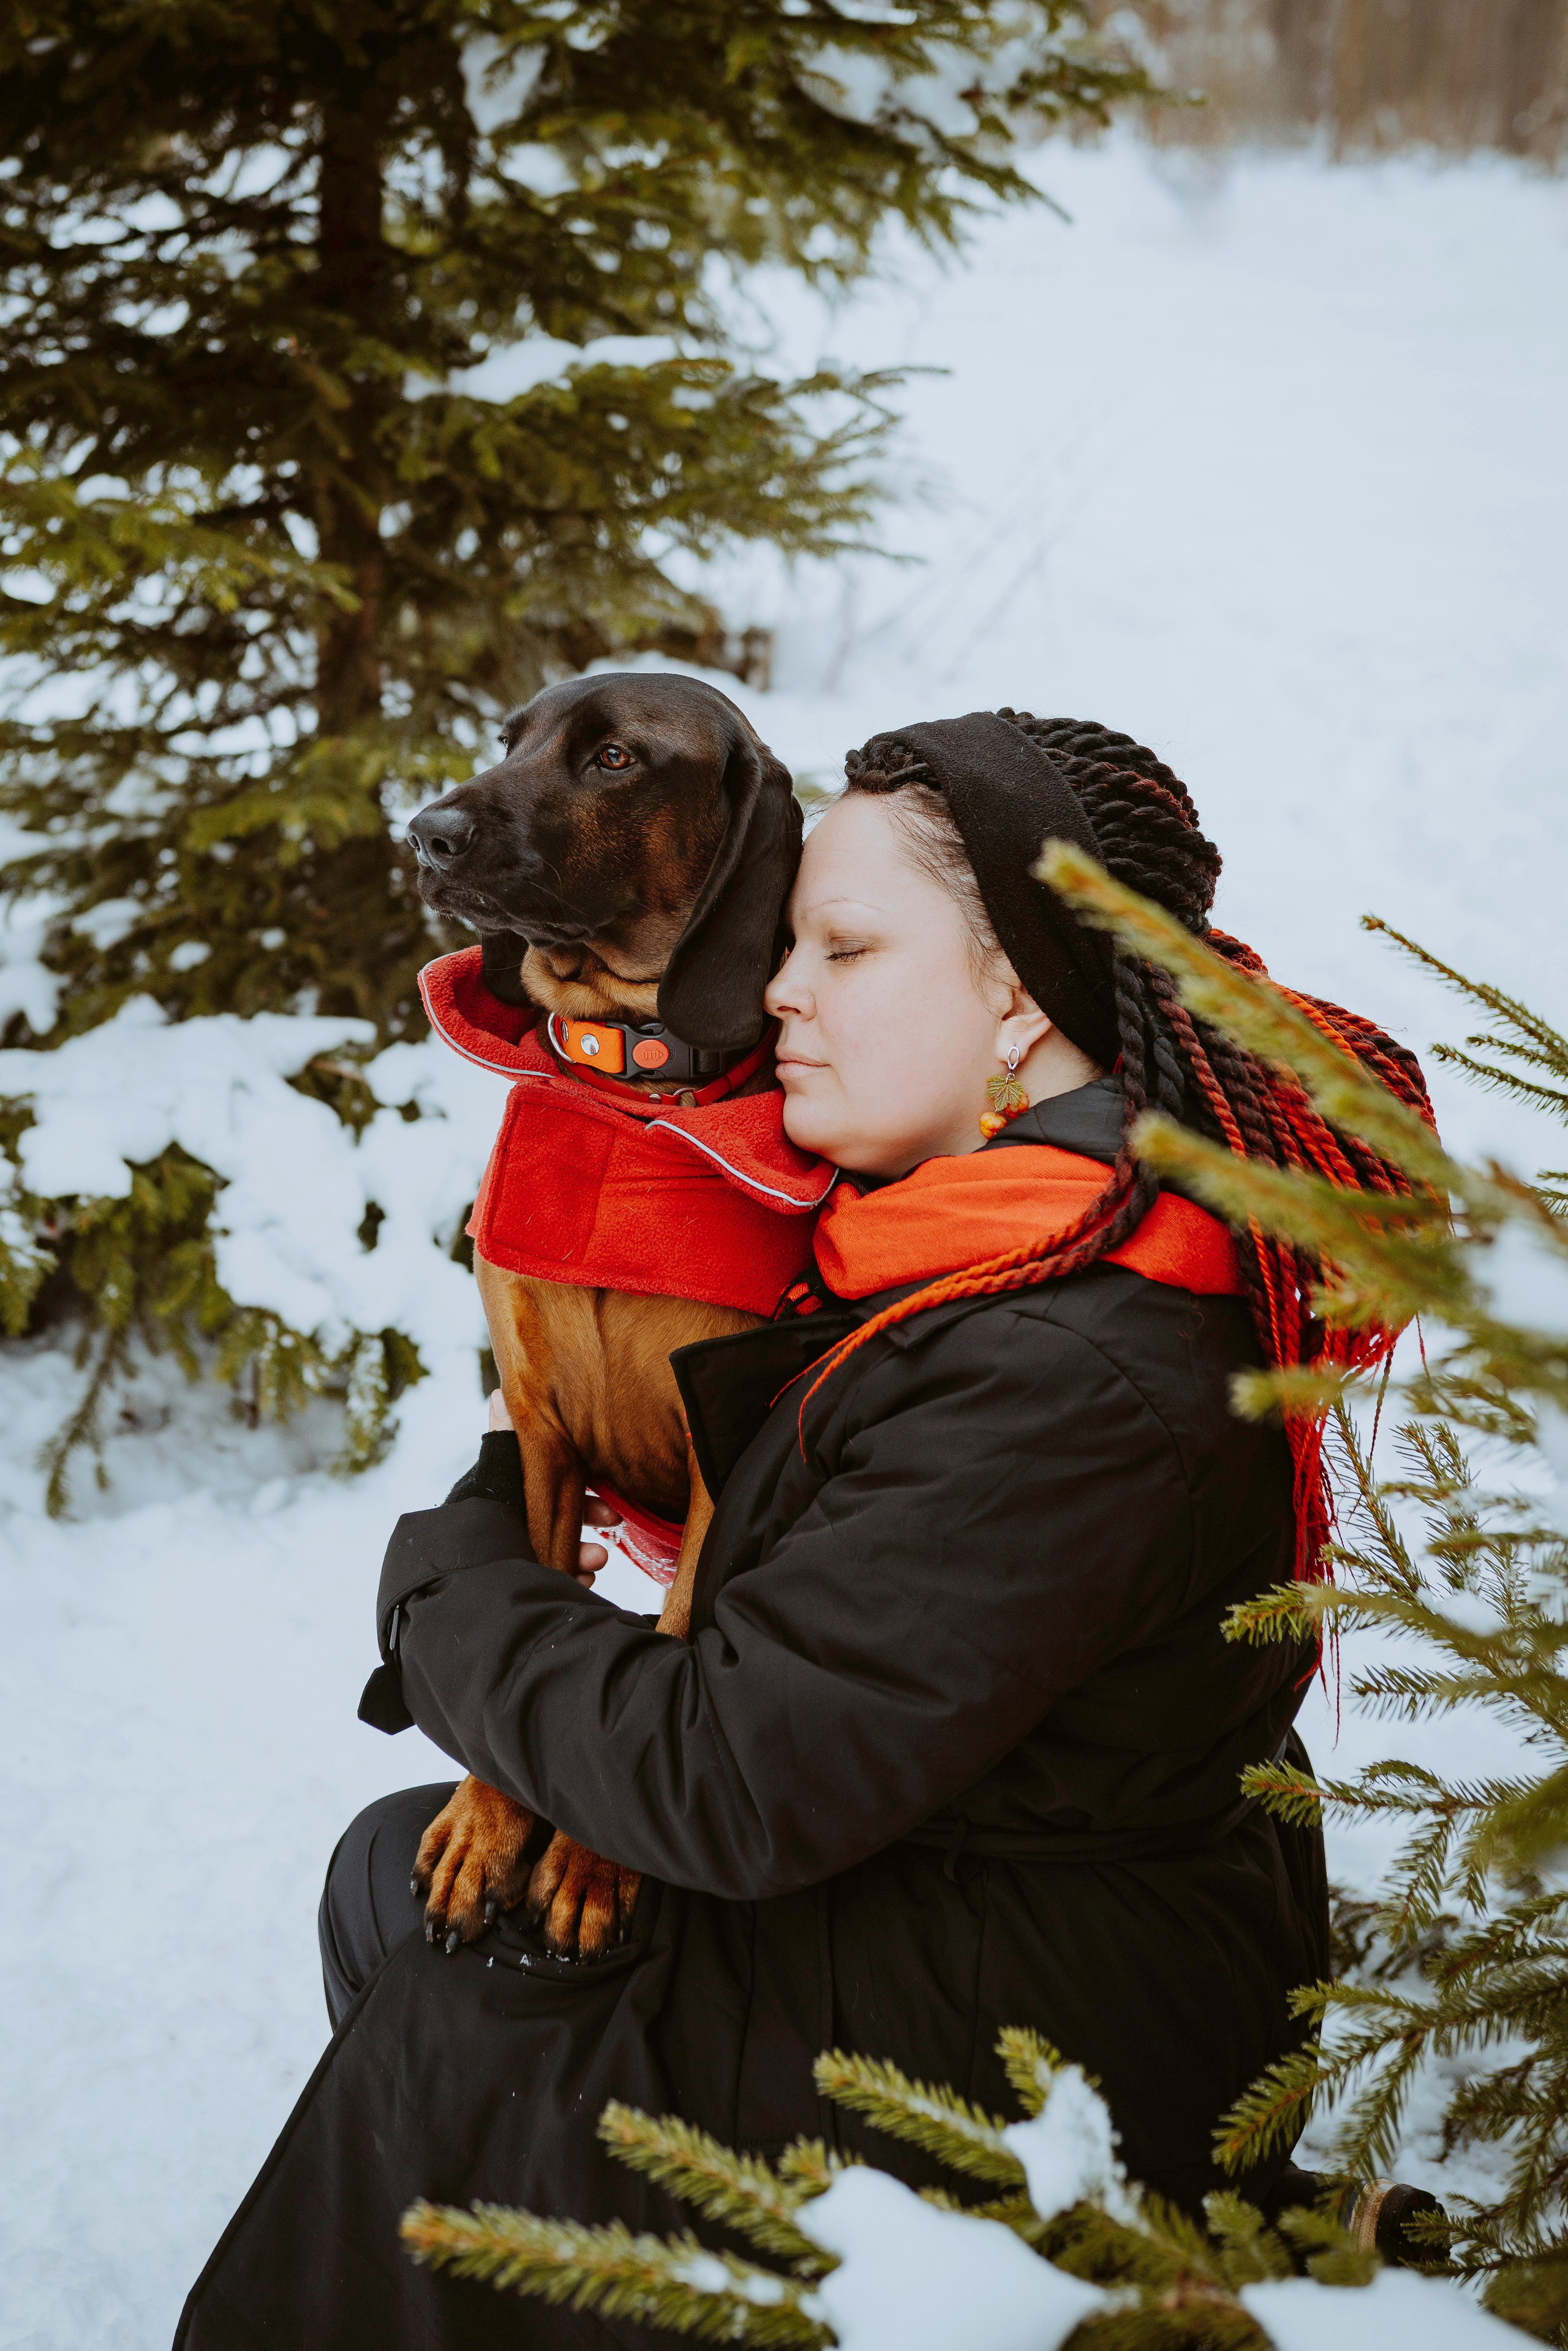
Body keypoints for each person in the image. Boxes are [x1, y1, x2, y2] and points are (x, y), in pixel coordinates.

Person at [176, 711, 1433, 2350]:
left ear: (1018, 997)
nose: (778, 993)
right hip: (976, 1867)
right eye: (788, 947)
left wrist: (444, 1576)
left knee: (467, 2000)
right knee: (395, 1873)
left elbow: (725, 1780)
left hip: (1055, 2011)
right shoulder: (998, 1240)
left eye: (842, 949)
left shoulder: (1074, 1358)